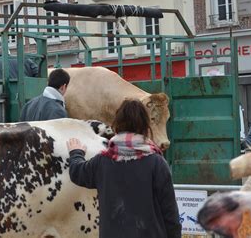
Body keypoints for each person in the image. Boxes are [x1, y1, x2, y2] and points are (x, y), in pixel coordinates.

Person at [67, 99, 182, 238]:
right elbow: (170, 215)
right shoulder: (157, 163)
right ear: (145, 127)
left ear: (117, 125)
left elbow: (77, 173)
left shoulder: (102, 161)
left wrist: (76, 153)